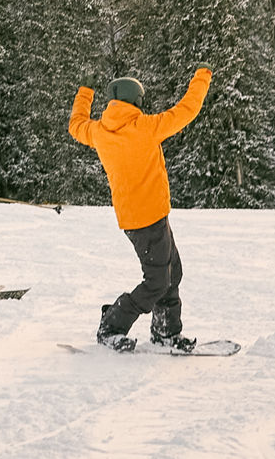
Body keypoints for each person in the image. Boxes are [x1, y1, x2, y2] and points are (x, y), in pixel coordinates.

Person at [68, 69, 213, 353]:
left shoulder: (99, 131)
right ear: (137, 101)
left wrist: (85, 92)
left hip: (142, 218)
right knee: (158, 281)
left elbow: (76, 125)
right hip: (148, 219)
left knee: (172, 274)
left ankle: (166, 332)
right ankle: (111, 324)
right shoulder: (146, 127)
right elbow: (187, 109)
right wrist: (202, 77)